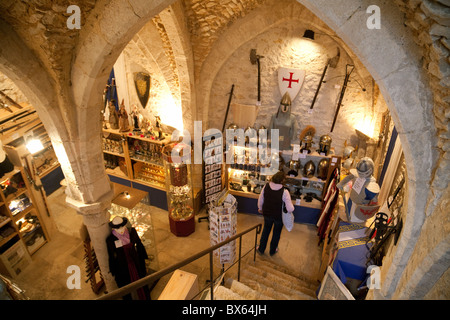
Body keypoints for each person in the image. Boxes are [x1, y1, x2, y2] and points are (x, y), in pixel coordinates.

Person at [257, 170, 294, 256]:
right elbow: (290, 208)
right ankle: (272, 251)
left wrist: (260, 208)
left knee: (266, 231)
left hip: (267, 213)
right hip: (278, 216)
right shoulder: (285, 192)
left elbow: (261, 199)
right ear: (282, 180)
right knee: (276, 233)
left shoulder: (266, 186)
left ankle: (261, 249)